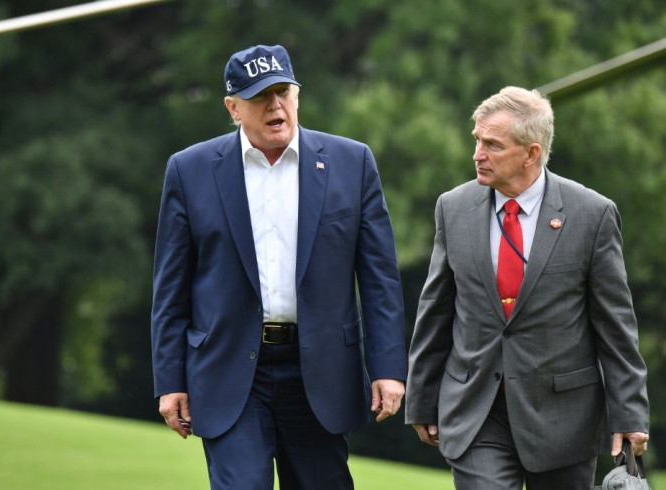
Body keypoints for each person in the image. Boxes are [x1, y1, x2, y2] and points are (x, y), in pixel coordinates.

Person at [151, 44, 406, 490]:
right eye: (259, 96)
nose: (275, 105)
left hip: (321, 370)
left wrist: (388, 367)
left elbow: (380, 278)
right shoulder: (189, 170)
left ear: (297, 96)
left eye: (283, 91)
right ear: (233, 108)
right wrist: (169, 380)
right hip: (230, 370)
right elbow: (171, 288)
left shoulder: (353, 163)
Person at [405, 86, 649, 490]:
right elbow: (436, 309)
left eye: (492, 145)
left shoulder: (593, 215)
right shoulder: (453, 207)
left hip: (564, 419)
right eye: (477, 141)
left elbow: (615, 326)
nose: (477, 154)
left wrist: (630, 413)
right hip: (476, 411)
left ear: (531, 153)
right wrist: (422, 398)